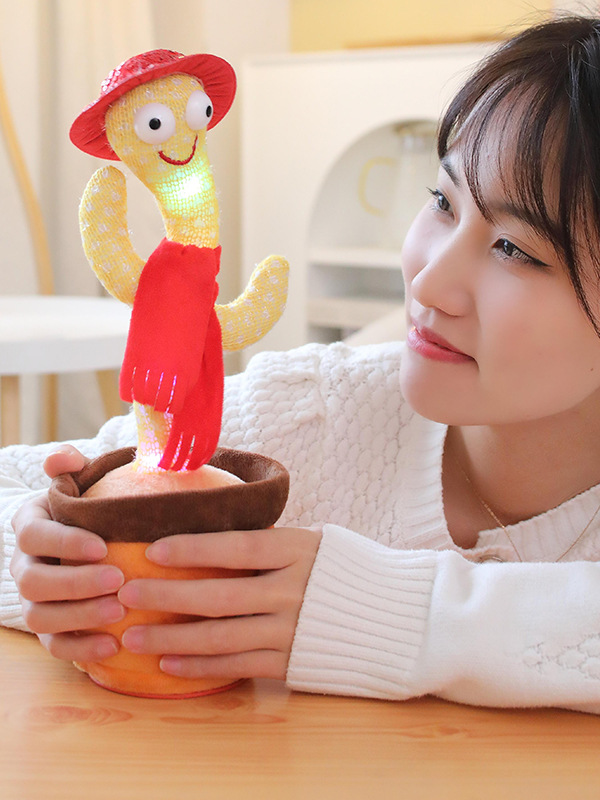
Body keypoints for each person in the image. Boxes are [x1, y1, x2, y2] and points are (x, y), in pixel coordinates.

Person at [5, 14, 600, 713]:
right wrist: (39, 559)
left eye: (514, 250)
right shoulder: (313, 411)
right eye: (443, 202)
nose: (428, 281)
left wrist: (381, 614)